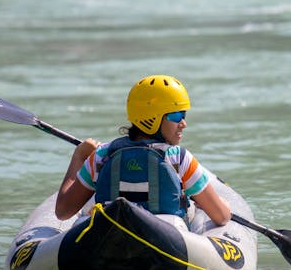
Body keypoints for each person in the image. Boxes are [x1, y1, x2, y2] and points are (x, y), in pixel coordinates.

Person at [55, 75, 231, 227]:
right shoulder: (179, 158)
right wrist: (221, 205)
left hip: (109, 238)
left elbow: (63, 212)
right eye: (176, 116)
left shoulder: (101, 156)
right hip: (164, 246)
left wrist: (78, 157)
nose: (183, 123)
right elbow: (222, 217)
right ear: (153, 117)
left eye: (183, 115)